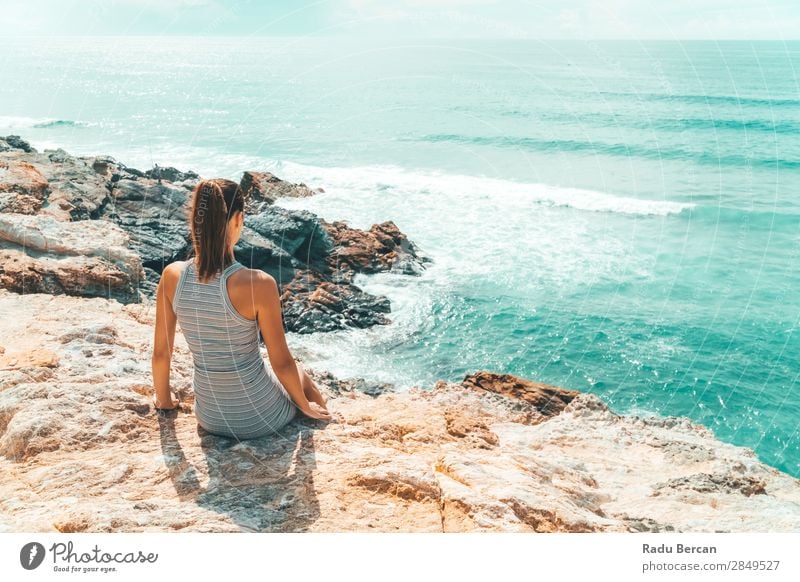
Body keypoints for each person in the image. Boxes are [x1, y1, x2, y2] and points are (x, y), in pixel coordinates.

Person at [151, 178, 331, 439]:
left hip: (210, 417)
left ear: (195, 221)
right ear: (238, 219)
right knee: (300, 375)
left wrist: (164, 401)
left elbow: (160, 354)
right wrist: (305, 407)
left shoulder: (172, 276)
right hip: (260, 417)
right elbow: (281, 362)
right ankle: (325, 424)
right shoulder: (258, 283)